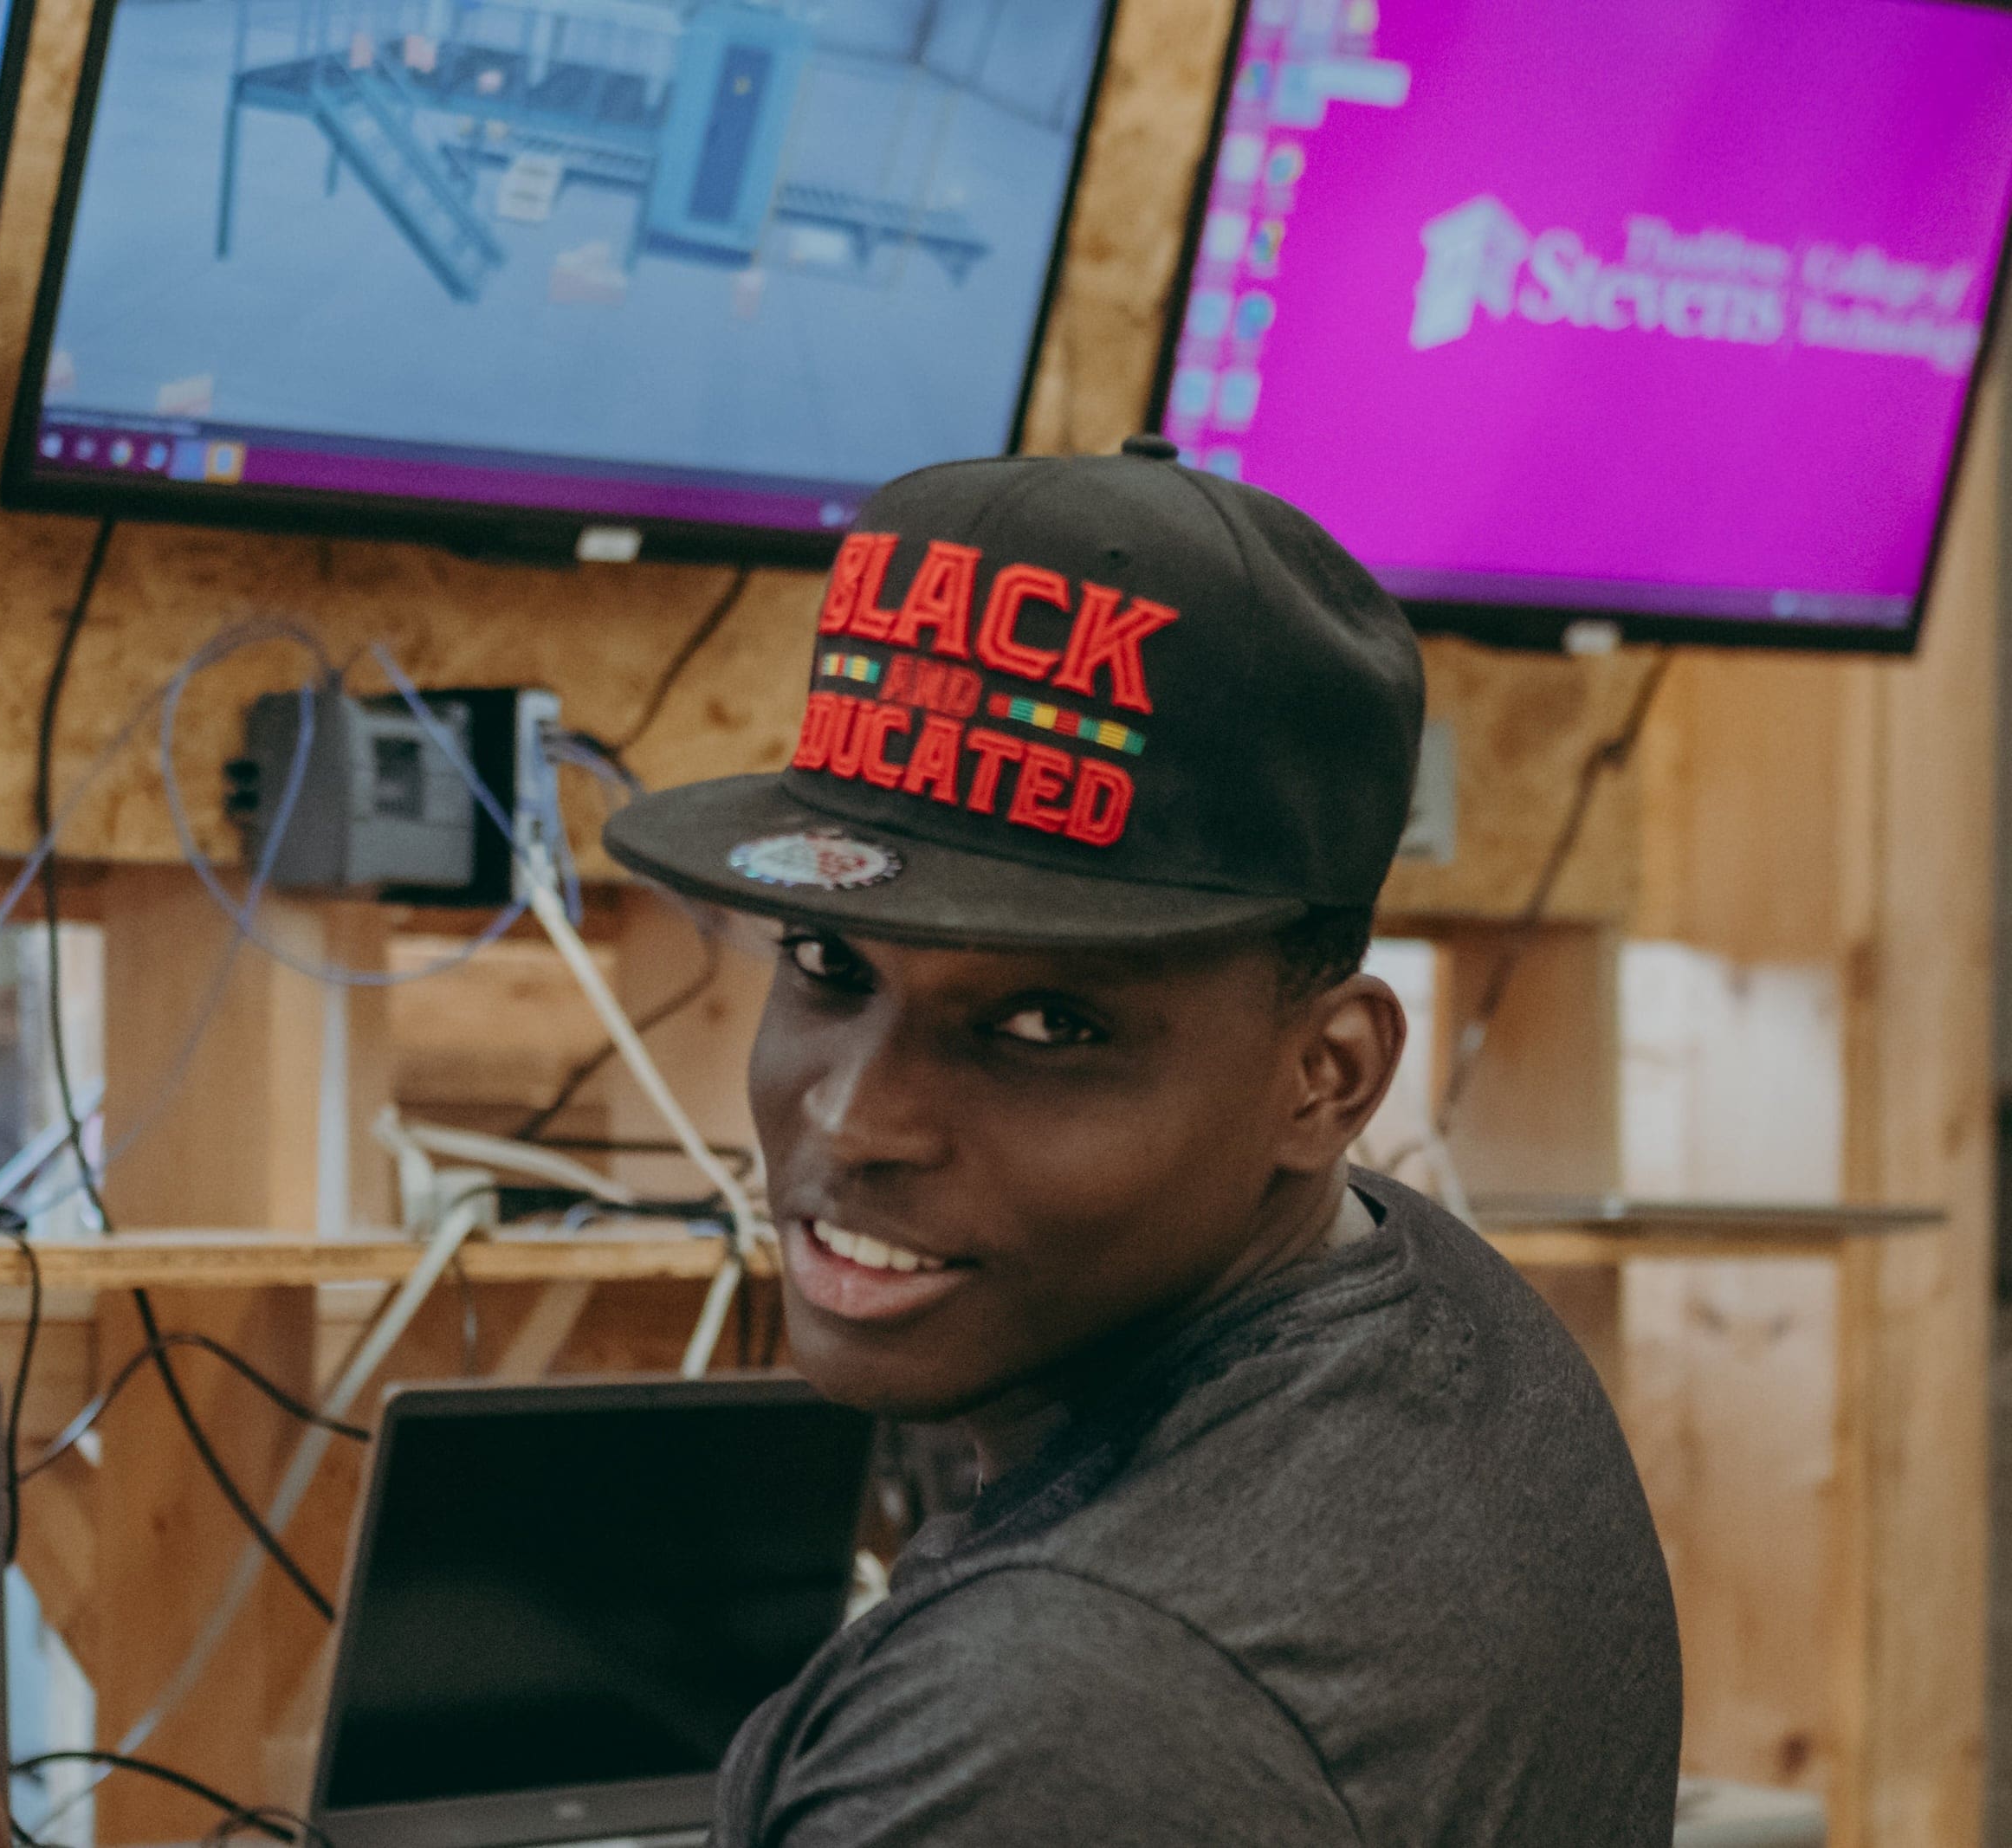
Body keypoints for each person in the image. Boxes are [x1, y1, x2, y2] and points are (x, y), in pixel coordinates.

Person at [603, 436, 1681, 1847]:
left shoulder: (1045, 1720)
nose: (857, 1117)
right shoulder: (1439, 1309)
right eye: (828, 960)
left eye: (1047, 1025)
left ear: (1327, 1073)